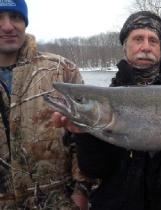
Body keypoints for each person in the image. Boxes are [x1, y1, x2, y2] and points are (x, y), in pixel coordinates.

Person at [52, 11, 161, 210]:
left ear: (160, 49)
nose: (146, 46)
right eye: (138, 39)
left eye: (153, 41)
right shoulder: (107, 98)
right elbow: (96, 169)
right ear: (125, 47)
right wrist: (83, 134)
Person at [0, 0, 90, 209]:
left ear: (25, 22)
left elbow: (86, 137)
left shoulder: (61, 70)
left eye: (15, 17)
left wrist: (81, 192)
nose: (7, 26)